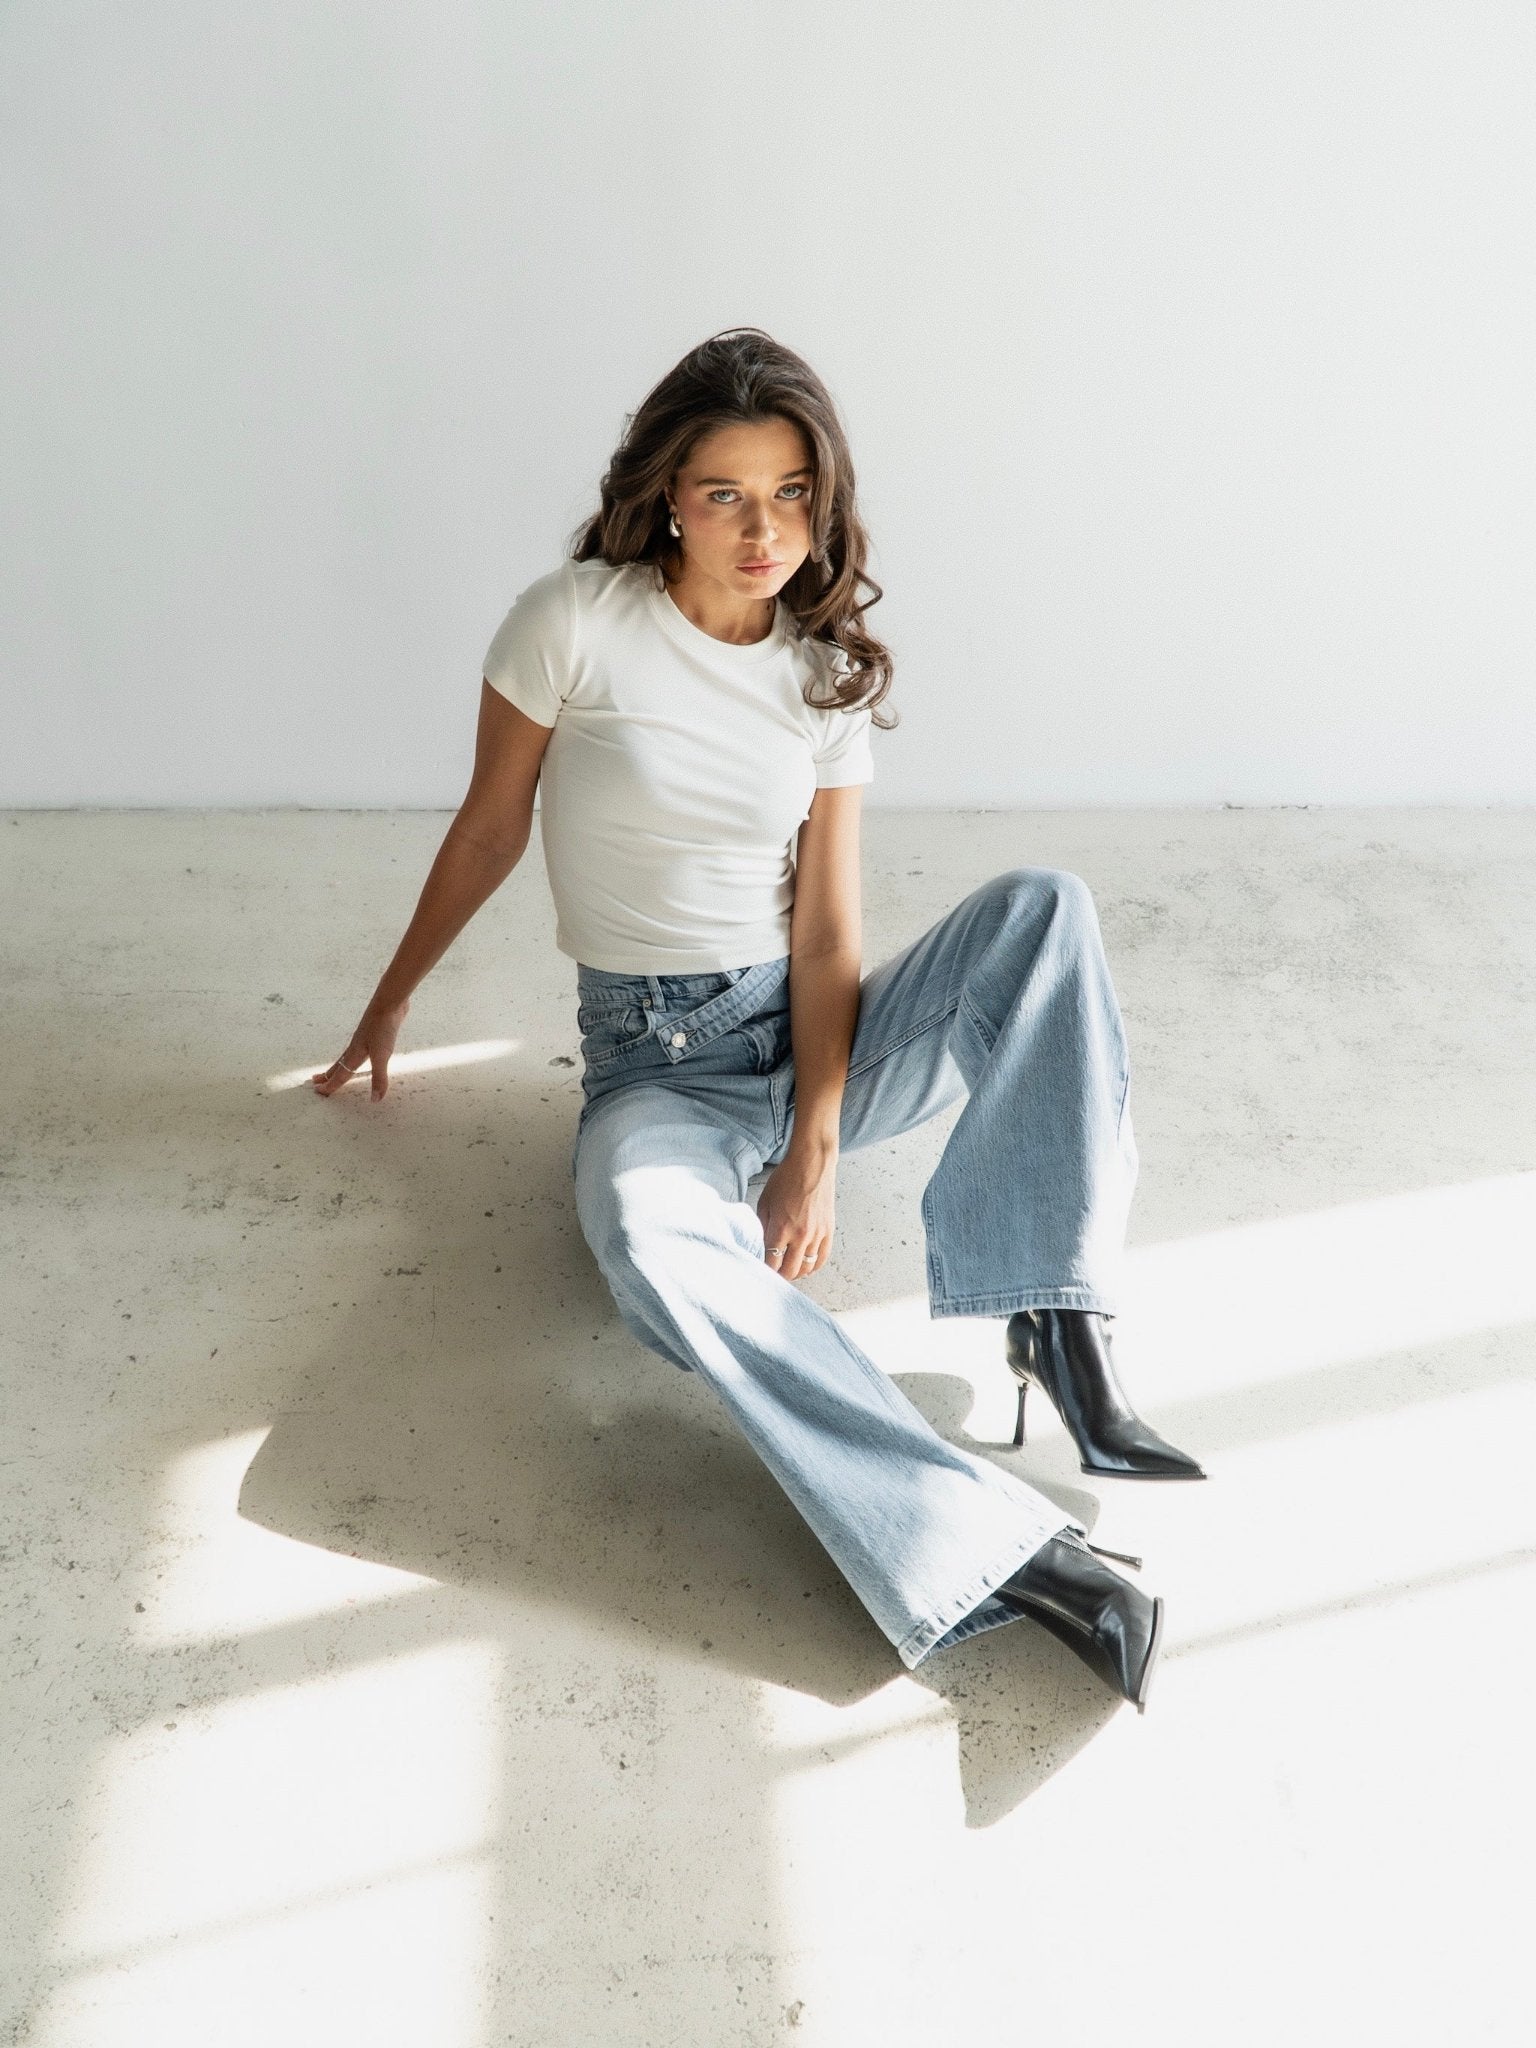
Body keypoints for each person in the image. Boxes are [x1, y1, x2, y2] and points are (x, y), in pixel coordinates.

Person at [313, 326, 1205, 1714]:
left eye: (792, 493)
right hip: (654, 1076)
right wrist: (390, 997)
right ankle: (1003, 1554)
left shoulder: (818, 676)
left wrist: (818, 1145)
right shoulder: (574, 623)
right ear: (668, 491)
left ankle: (1058, 1322)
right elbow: (490, 831)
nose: (763, 529)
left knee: (1043, 909)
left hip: (806, 1037)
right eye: (726, 492)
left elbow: (834, 936)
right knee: (651, 1245)